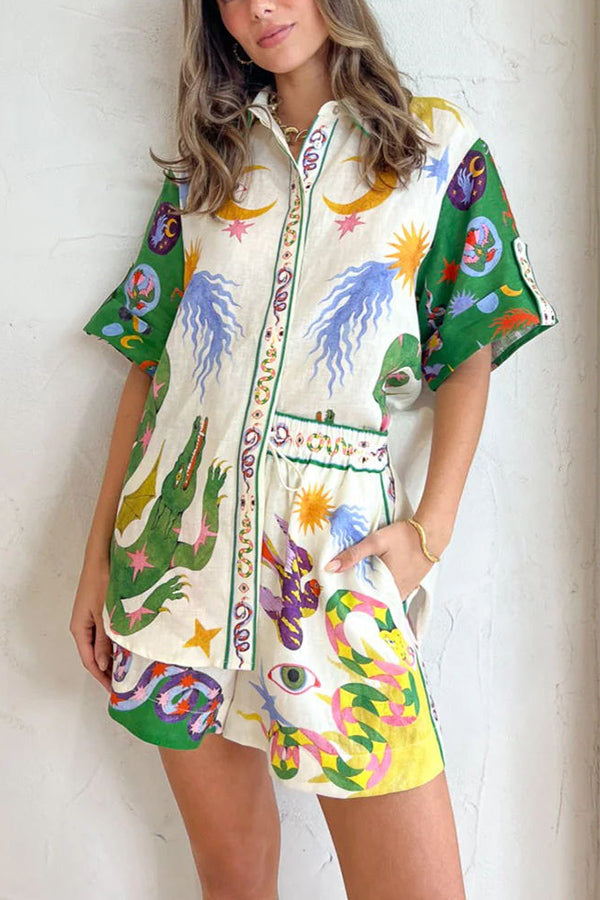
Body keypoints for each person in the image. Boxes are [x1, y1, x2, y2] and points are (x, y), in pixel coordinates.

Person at [70, 1, 559, 897]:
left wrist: (431, 532)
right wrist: (98, 557)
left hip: (329, 571)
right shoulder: (210, 167)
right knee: (234, 882)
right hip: (174, 570)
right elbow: (149, 363)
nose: (260, 6)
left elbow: (472, 344)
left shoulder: (434, 148)